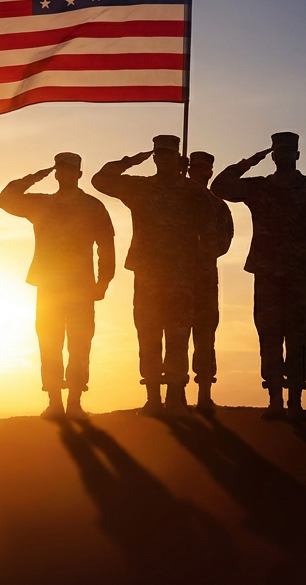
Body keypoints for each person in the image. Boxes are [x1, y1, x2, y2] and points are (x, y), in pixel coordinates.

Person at [92, 135, 217, 416]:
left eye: (168, 154)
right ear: (155, 157)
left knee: (177, 336)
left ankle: (175, 396)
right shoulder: (140, 187)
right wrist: (132, 160)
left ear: (177, 158)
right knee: (148, 334)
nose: (163, 159)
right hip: (148, 274)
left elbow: (209, 237)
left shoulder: (194, 193)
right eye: (158, 154)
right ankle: (152, 397)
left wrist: (199, 272)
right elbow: (100, 180)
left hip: (181, 276)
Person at [211, 132, 306, 421]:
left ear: (297, 155)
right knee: (269, 336)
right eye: (279, 151)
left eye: (289, 151)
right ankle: (275, 399)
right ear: (273, 155)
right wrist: (248, 162)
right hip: (267, 274)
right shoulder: (259, 187)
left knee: (298, 337)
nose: (284, 156)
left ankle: (295, 401)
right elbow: (219, 187)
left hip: (300, 275)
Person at [0, 152, 116, 421]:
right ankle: (54, 402)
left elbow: (106, 245)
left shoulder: (92, 207)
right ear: (56, 173)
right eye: (60, 170)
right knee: (49, 342)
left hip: (81, 287)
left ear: (79, 174)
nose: (65, 174)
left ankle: (74, 402)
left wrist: (103, 281)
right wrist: (36, 176)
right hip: (49, 286)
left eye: (70, 170)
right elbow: (4, 199)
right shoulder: (42, 204)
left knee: (79, 344)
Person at [186, 151, 234, 413]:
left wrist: (202, 252)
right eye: (195, 169)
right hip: (175, 275)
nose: (199, 173)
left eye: (204, 169)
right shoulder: (177, 198)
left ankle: (204, 392)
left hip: (204, 276)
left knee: (205, 335)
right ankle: (174, 393)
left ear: (210, 172)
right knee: (174, 335)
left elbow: (224, 242)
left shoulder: (218, 205)